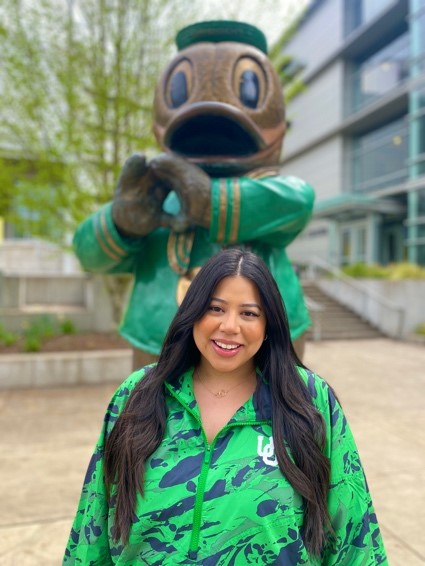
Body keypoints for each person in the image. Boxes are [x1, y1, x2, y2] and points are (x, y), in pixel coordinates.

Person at [64, 248, 388, 565]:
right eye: (215, 308)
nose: (230, 326)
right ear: (192, 312)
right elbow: (92, 526)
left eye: (249, 313)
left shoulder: (308, 400)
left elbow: (354, 534)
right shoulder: (139, 394)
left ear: (268, 324)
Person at [73, 20, 315, 368]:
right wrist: (122, 223)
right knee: (153, 403)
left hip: (264, 347)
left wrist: (206, 200)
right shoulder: (156, 198)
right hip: (158, 339)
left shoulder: (275, 196)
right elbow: (89, 255)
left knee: (270, 402)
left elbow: (298, 201)